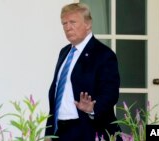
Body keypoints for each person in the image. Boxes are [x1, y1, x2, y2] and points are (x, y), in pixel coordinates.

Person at [45, 3, 122, 141]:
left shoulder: (103, 54)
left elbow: (110, 93)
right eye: (64, 23)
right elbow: (56, 94)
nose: (67, 27)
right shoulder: (64, 52)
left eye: (73, 22)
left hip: (87, 131)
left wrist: (92, 108)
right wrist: (49, 132)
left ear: (88, 24)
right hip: (60, 131)